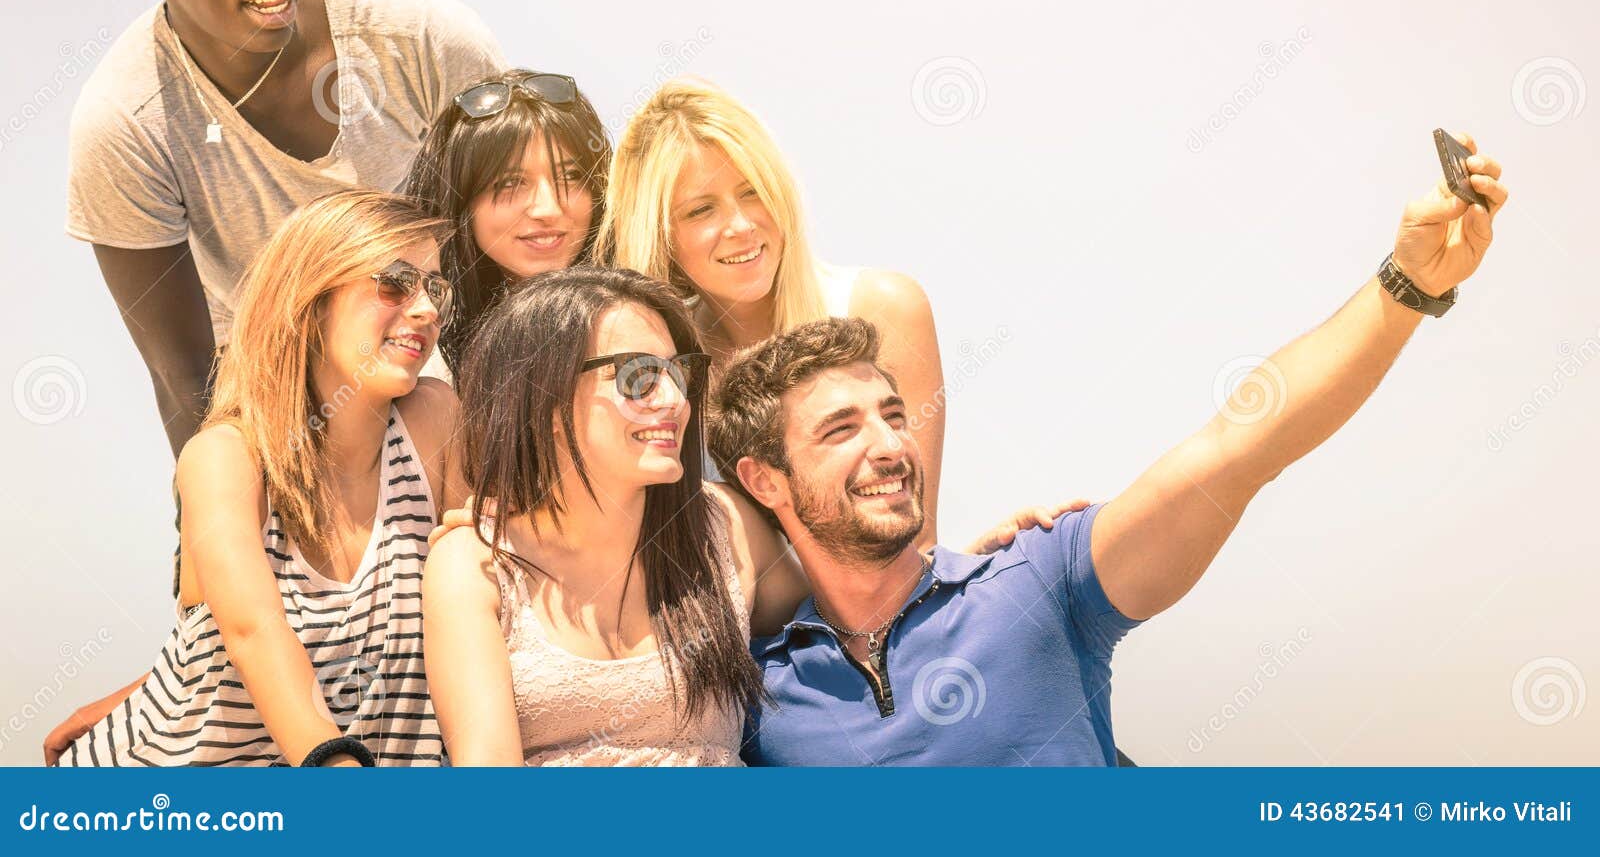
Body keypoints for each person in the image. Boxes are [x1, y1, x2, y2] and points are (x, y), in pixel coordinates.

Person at [709, 135, 1508, 765]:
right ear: (763, 480)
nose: (890, 444)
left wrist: (1406, 283)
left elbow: (1240, 445)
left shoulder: (1034, 583)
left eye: (893, 414)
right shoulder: (753, 697)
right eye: (842, 428)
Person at [421, 266, 1077, 764]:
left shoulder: (721, 527)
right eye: (637, 376)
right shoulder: (474, 563)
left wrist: (969, 567)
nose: (673, 398)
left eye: (679, 372)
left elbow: (860, 602)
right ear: (542, 391)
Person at [66, 0, 507, 465]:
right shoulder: (127, 124)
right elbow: (183, 376)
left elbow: (525, 243)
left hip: (445, 398)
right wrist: (228, 520)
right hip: (272, 428)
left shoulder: (421, 41)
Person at [54, 190, 463, 766]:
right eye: (395, 282)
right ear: (311, 300)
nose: (426, 309)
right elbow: (253, 635)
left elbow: (480, 602)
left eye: (436, 288)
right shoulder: (224, 459)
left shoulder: (435, 421)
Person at [597, 77, 947, 541]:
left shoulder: (885, 307)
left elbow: (916, 541)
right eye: (701, 210)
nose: (740, 226)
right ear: (662, 237)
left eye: (752, 191)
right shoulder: (662, 372)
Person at [402, 70, 611, 380]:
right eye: (512, 182)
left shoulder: (643, 328)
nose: (548, 209)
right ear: (460, 202)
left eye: (571, 176)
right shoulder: (421, 358)